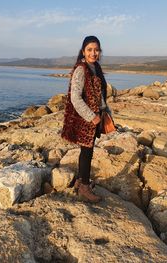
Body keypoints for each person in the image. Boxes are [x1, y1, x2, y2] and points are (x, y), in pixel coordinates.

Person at [61, 36, 111, 203]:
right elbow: (75, 98)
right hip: (86, 120)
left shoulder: (95, 67)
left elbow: (100, 95)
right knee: (87, 152)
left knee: (86, 151)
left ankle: (79, 182)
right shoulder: (81, 70)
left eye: (96, 50)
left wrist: (106, 112)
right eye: (89, 50)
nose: (93, 53)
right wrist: (92, 117)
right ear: (83, 51)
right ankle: (84, 186)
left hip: (96, 116)